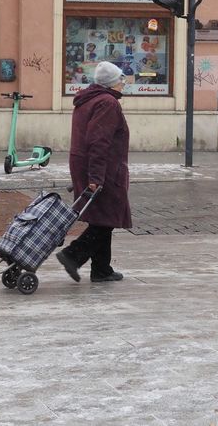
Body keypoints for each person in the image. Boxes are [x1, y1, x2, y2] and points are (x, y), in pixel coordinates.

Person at [56, 61, 131, 283]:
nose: (123, 83)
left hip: (88, 165)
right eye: (121, 79)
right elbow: (99, 141)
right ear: (111, 83)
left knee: (103, 217)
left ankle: (101, 269)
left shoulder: (89, 99)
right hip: (102, 169)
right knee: (105, 218)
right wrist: (96, 178)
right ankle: (73, 255)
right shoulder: (107, 103)